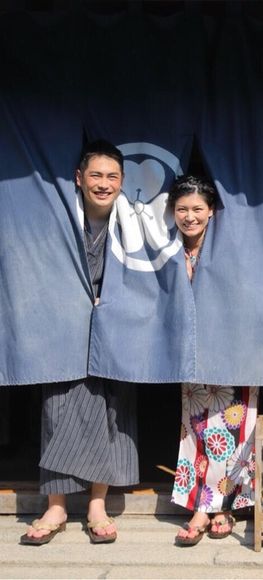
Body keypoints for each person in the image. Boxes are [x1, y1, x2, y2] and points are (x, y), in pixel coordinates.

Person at [21, 140, 139, 545]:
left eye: (112, 176)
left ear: (123, 181)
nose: (104, 184)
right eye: (96, 175)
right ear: (78, 178)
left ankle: (97, 504)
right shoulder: (59, 217)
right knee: (58, 404)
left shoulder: (134, 223)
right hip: (63, 326)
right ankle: (55, 505)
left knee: (112, 407)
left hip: (116, 328)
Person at [168, 175, 258, 547]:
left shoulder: (228, 246)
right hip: (192, 348)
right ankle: (201, 506)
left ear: (212, 212)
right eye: (182, 209)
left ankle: (224, 507)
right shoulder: (169, 247)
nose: (189, 217)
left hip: (233, 344)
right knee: (197, 428)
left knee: (233, 428)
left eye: (197, 209)